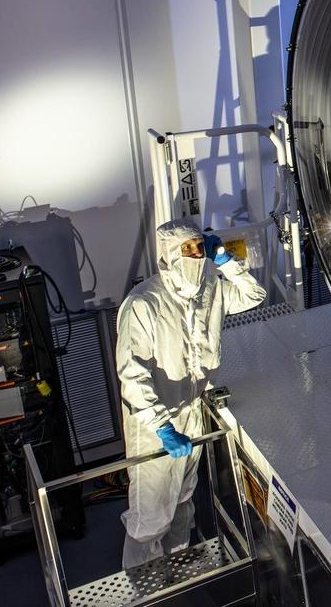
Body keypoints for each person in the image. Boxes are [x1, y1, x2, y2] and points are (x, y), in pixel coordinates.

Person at [115, 218, 266, 569]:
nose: (197, 255)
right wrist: (162, 427)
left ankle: (177, 568)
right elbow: (132, 374)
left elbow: (253, 295)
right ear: (169, 254)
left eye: (200, 246)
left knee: (183, 497)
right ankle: (144, 583)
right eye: (187, 249)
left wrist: (225, 260)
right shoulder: (144, 303)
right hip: (155, 422)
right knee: (150, 517)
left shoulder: (210, 288)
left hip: (193, 410)